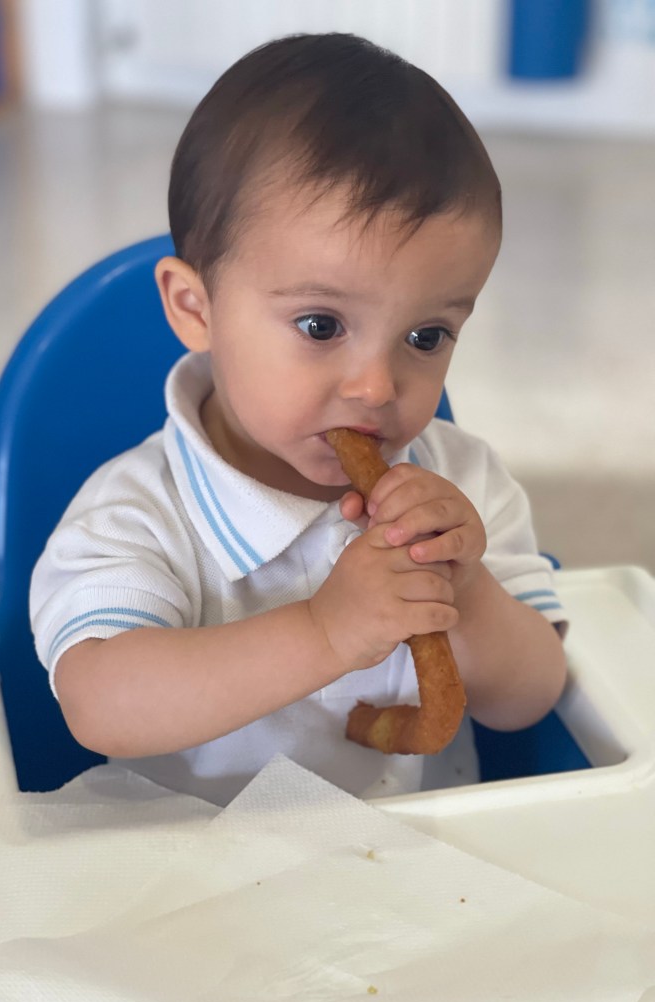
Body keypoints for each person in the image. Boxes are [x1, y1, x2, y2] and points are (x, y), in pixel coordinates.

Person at [30, 33, 567, 805]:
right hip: (185, 866)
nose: (376, 387)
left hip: (414, 861)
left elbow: (532, 698)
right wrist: (323, 632)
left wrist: (468, 592)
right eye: (321, 325)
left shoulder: (465, 487)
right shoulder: (140, 510)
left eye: (426, 337)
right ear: (196, 309)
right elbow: (99, 706)